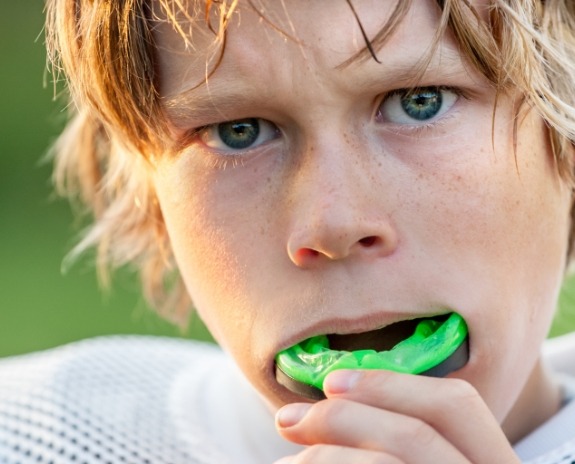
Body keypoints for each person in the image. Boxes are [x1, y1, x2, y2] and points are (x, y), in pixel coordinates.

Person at [2, 0, 575, 462]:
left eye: (417, 103)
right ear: (151, 199)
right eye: (240, 131)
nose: (333, 224)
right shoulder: (37, 435)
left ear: (566, 143)